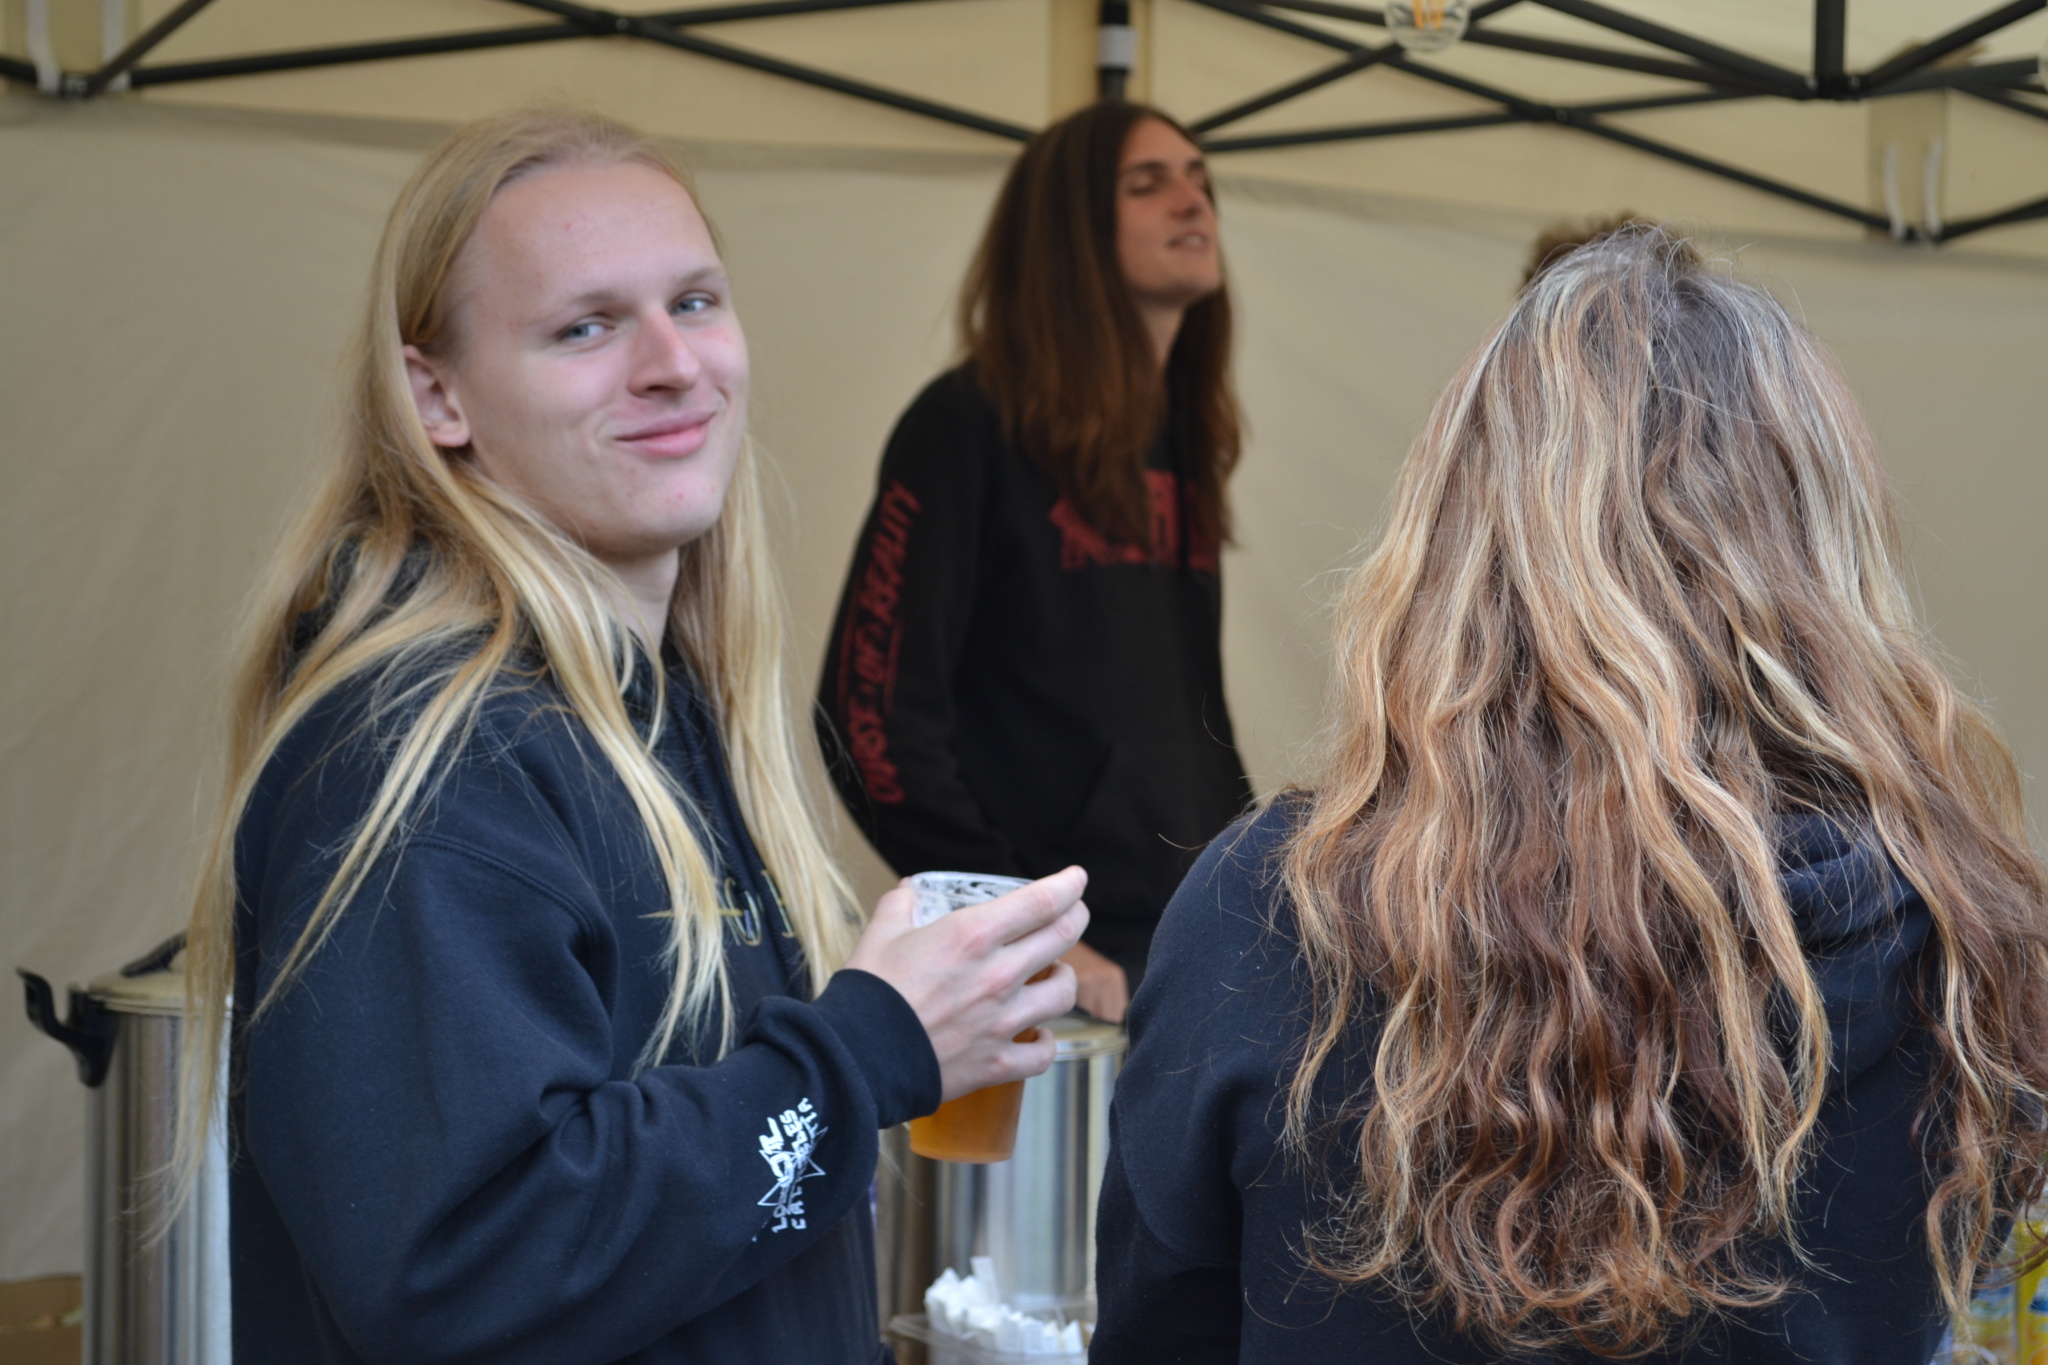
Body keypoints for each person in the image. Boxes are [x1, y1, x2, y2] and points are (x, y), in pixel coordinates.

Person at [168, 109, 1088, 1364]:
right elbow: (467, 1267)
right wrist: (870, 1047)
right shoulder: (433, 756)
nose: (671, 364)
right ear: (437, 395)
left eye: (694, 303)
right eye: (585, 327)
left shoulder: (656, 706)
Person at [1093, 228, 2048, 1363]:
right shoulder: (1959, 949)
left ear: (1454, 548)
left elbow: (1157, 1331)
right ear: (1828, 559)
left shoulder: (1268, 912)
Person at [817, 99, 1249, 1024]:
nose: (1192, 201)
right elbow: (869, 720)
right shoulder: (964, 426)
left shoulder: (1183, 443)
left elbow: (1189, 720)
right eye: (1148, 184)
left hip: (1192, 945)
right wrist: (1018, 919)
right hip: (1060, 973)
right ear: (1070, 228)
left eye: (1199, 178)